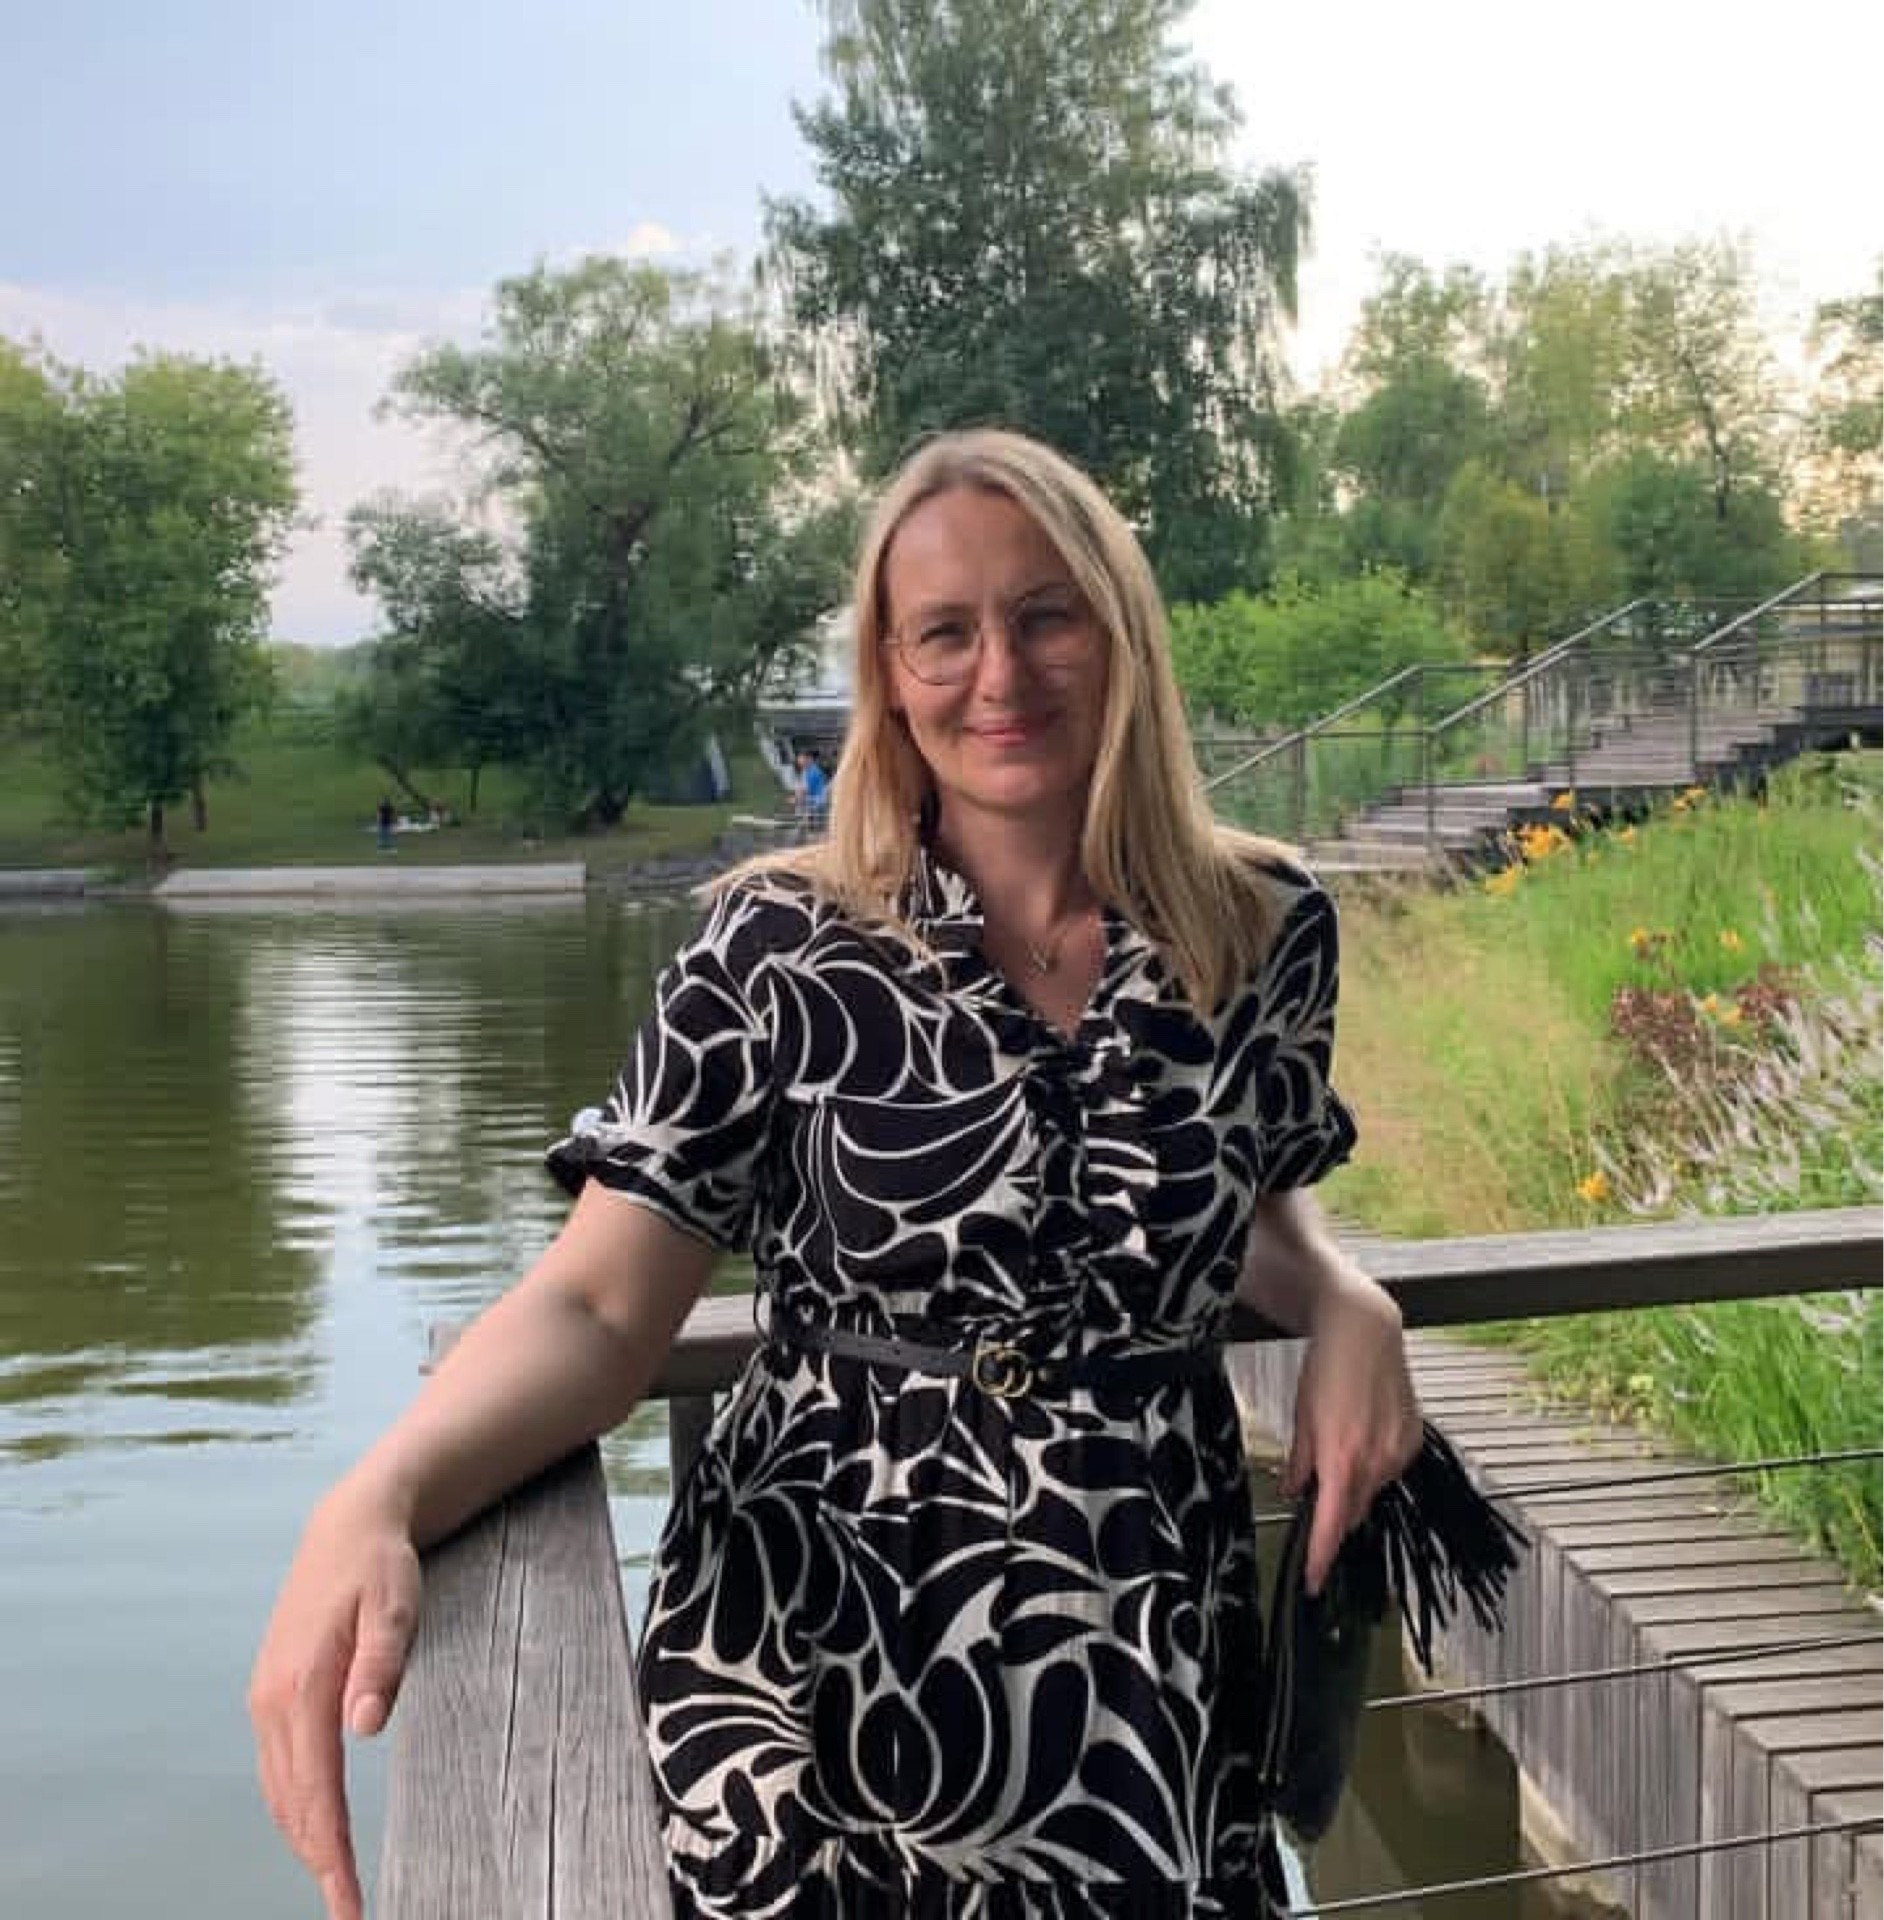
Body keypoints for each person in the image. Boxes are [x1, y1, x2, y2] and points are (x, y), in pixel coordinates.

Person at [249, 428, 1422, 1920]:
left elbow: (1234, 1195)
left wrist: (1347, 1300)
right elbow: (598, 1308)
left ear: (1121, 628)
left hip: (1140, 1651)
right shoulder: (773, 947)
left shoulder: (1263, 927)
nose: (1000, 674)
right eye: (946, 632)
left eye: (1045, 615)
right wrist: (377, 1494)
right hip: (824, 1655)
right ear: (890, 670)